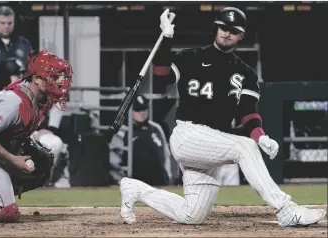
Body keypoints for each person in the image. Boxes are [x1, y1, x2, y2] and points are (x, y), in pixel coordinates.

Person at [119, 8, 326, 227]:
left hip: (213, 145)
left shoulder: (245, 73)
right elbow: (162, 72)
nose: (227, 33)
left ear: (241, 36)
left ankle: (135, 189)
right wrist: (165, 38)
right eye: (224, 28)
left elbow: (248, 112)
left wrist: (261, 136)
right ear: (216, 29)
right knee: (244, 147)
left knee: (192, 215)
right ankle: (286, 209)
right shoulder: (192, 57)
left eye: (233, 30)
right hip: (188, 136)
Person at [0, 50, 73, 222]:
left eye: (61, 76)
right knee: (6, 213)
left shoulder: (44, 98)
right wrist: (12, 159)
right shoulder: (14, 102)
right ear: (36, 79)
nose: (60, 81)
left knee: (43, 166)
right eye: (53, 76)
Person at [109, 95, 172, 186]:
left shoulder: (156, 128)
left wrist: (168, 176)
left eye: (144, 109)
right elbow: (114, 162)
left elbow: (166, 155)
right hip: (135, 186)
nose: (142, 113)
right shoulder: (122, 131)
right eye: (138, 110)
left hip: (159, 184)